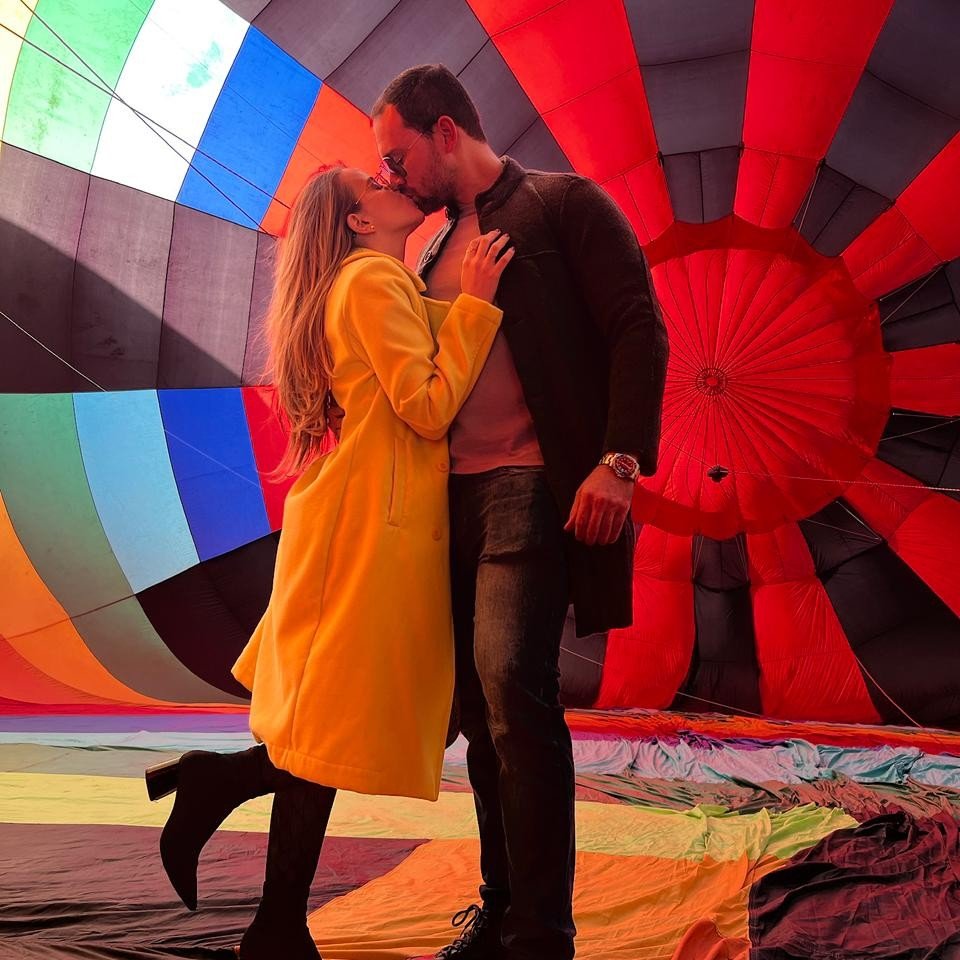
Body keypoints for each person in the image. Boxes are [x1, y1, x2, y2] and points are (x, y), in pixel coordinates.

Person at [144, 164, 514, 959]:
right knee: (341, 726)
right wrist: (479, 305)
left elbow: (419, 355)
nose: (391, 182)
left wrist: (463, 298)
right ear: (358, 221)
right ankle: (270, 915)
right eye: (374, 184)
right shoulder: (371, 281)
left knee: (343, 723)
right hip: (368, 530)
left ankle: (248, 851)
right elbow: (427, 405)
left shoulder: (372, 283)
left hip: (361, 521)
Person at [372, 65, 669, 960]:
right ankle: (500, 909)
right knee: (476, 707)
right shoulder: (428, 250)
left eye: (398, 155)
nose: (390, 175)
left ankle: (541, 934)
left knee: (510, 685)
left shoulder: (563, 204)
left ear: (445, 131)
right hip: (447, 501)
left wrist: (619, 462)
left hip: (530, 486)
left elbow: (639, 328)